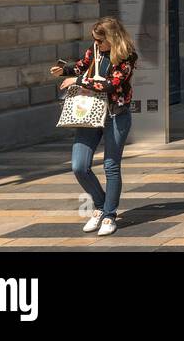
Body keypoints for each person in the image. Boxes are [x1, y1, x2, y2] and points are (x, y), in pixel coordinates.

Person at [51, 16, 137, 237]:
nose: (96, 44)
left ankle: (109, 214)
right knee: (79, 166)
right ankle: (99, 206)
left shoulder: (127, 55)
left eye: (100, 41)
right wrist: (66, 70)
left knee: (111, 166)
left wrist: (78, 81)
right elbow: (83, 66)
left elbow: (111, 84)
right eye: (95, 40)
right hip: (89, 112)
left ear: (111, 38)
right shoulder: (94, 51)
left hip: (115, 115)